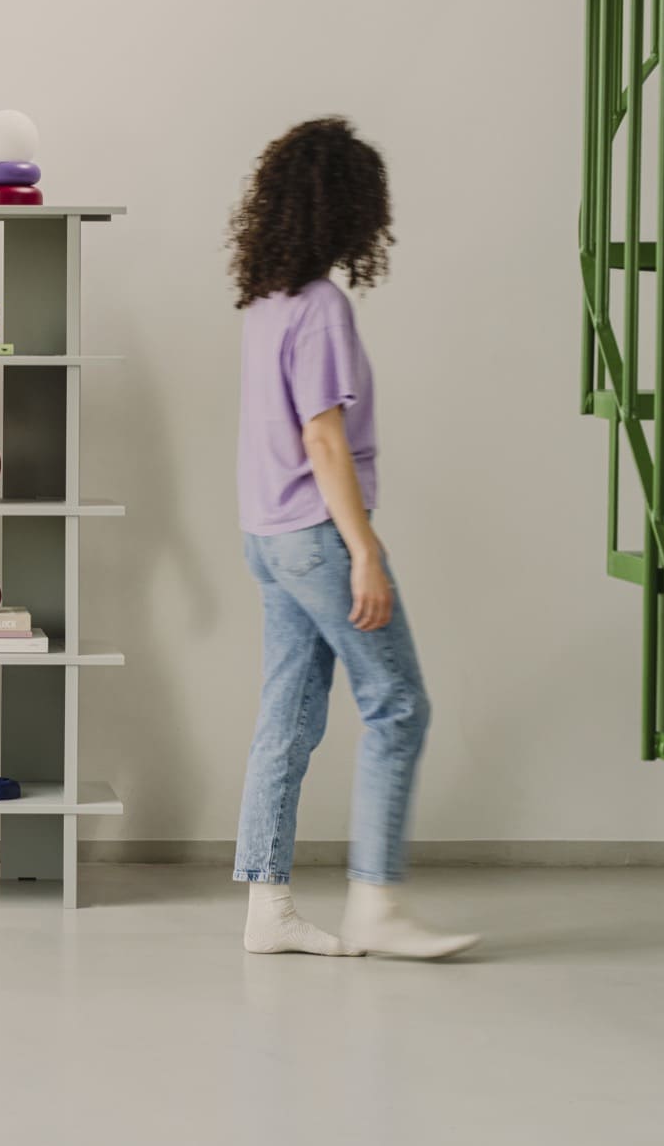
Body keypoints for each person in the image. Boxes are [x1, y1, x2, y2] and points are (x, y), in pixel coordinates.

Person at [227, 117, 479, 960]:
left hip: (265, 533)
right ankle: (377, 905)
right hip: (313, 536)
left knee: (288, 718)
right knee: (398, 706)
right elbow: (323, 439)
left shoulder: (266, 300)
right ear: (348, 206)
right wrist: (364, 550)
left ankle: (268, 908)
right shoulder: (323, 304)